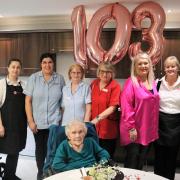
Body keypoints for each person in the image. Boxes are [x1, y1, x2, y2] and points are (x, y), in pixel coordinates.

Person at [24, 52, 65, 180]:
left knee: (52, 150)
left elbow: (63, 102)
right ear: (41, 64)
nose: (47, 65)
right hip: (38, 123)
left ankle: (50, 173)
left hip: (54, 122)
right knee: (40, 150)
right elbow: (27, 101)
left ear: (53, 64)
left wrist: (60, 120)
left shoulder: (60, 79)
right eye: (44, 62)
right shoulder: (33, 78)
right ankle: (40, 173)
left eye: (50, 62)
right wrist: (30, 121)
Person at [120, 52, 159, 170]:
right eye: (140, 64)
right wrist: (132, 128)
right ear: (135, 67)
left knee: (141, 161)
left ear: (150, 65)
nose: (143, 66)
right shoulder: (131, 82)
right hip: (134, 130)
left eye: (146, 63)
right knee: (132, 162)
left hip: (148, 130)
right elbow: (126, 107)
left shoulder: (152, 82)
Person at [0, 58, 27, 180]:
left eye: (18, 67)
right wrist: (0, 125)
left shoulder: (24, 85)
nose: (15, 69)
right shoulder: (1, 84)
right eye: (13, 67)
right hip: (4, 126)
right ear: (8, 68)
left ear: (20, 69)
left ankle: (9, 176)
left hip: (19, 127)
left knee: (15, 151)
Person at [154, 56, 180, 180]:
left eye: (173, 66)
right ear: (164, 68)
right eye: (168, 66)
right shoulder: (157, 83)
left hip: (177, 124)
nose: (170, 69)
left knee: (172, 156)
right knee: (159, 156)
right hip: (160, 122)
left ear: (178, 68)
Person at [91, 62, 121, 158]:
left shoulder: (115, 86)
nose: (105, 74)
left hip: (108, 129)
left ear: (112, 73)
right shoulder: (94, 84)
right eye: (102, 71)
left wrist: (97, 118)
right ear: (99, 72)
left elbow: (113, 107)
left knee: (106, 158)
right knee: (94, 158)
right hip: (93, 128)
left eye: (108, 72)